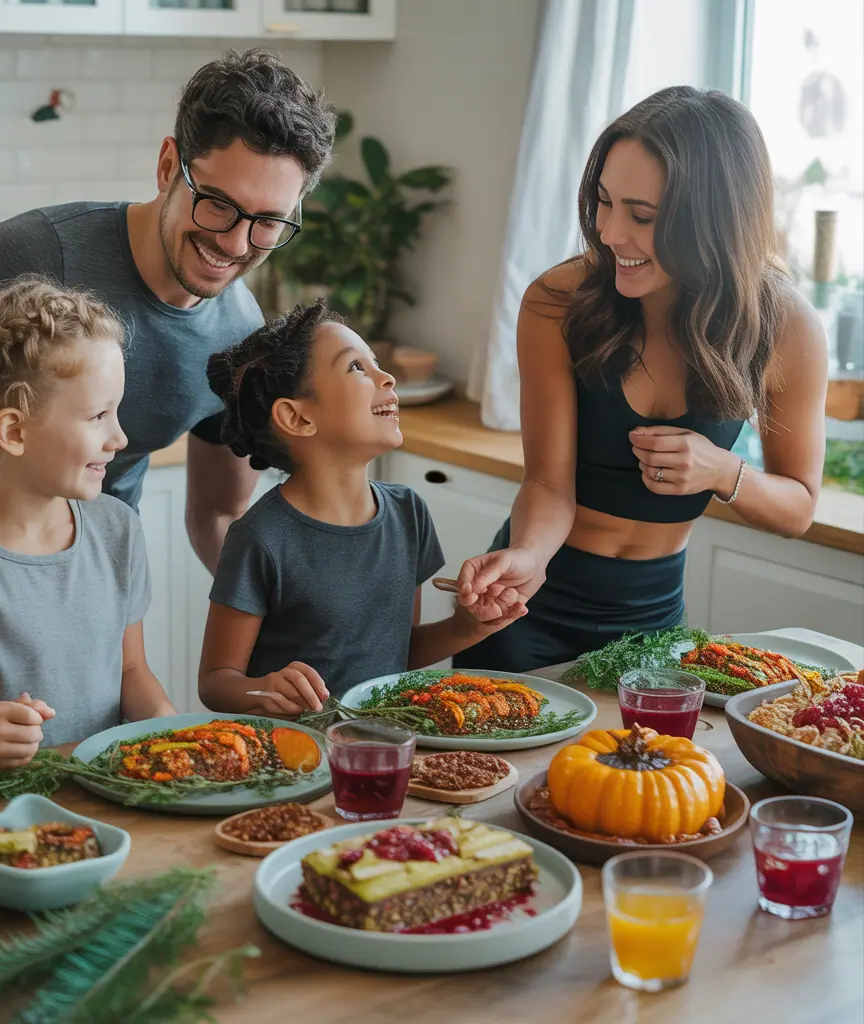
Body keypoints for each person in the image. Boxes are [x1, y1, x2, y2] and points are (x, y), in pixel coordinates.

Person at [0, 47, 336, 670]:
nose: (236, 242)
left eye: (268, 222)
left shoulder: (240, 335)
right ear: (167, 166)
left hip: (95, 596)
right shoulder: (36, 254)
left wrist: (286, 620)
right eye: (218, 203)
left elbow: (217, 512)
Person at [452, 86, 828, 673]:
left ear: (714, 222)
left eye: (642, 216)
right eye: (604, 202)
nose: (609, 233)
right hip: (528, 608)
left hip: (652, 624)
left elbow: (798, 508)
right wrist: (525, 557)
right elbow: (548, 485)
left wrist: (722, 471)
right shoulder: (557, 300)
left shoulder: (784, 325)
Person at [0, 279, 177, 774]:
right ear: (15, 431)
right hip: (2, 819)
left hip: (111, 795)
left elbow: (131, 669)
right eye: (97, 416)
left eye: (118, 411)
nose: (119, 436)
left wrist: (167, 724)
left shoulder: (117, 530)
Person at [196, 299, 526, 717]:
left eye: (376, 364)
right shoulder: (260, 537)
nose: (386, 377)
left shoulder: (409, 513)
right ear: (297, 418)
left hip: (385, 745)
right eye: (357, 368)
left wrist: (467, 626)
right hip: (299, 756)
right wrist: (264, 689)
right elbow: (215, 681)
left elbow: (398, 654)